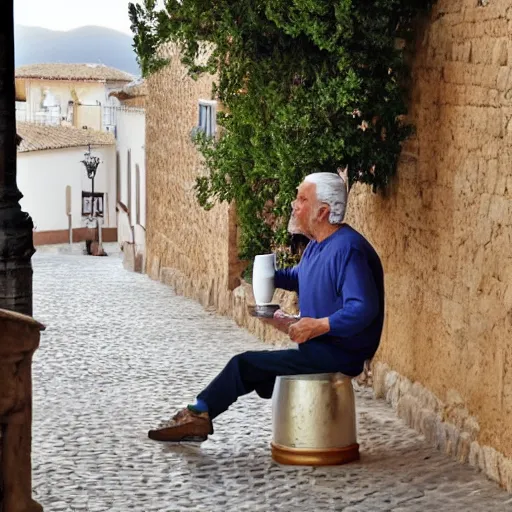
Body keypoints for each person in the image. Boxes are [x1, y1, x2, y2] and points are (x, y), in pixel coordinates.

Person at [148, 172, 384, 442]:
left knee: (244, 365)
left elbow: (363, 308)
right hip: (320, 349)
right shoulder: (317, 247)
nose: (294, 205)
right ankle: (200, 414)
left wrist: (317, 326)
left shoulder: (348, 249)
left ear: (323, 211)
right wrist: (266, 274)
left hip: (340, 355)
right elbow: (300, 277)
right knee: (256, 371)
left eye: (302, 199)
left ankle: (199, 415)